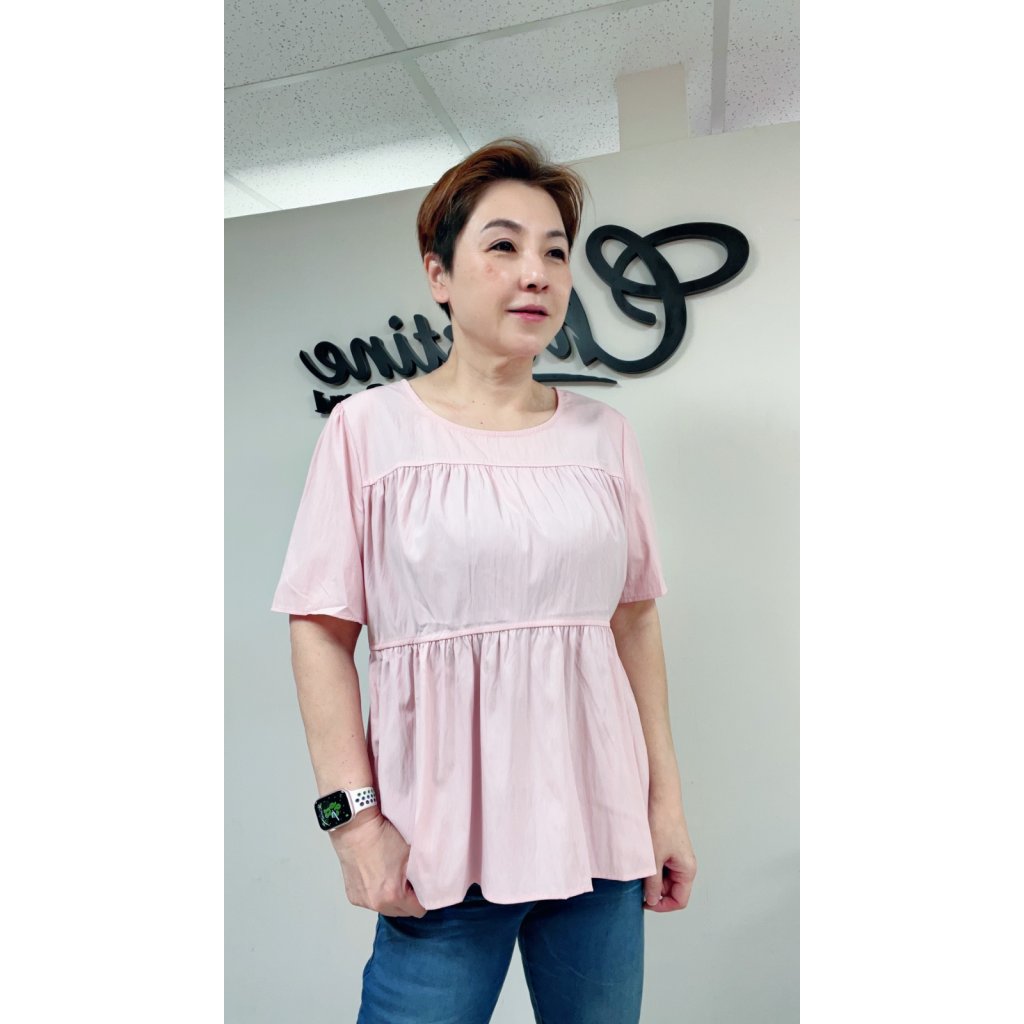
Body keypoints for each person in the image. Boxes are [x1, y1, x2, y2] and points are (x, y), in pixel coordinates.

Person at [272, 137, 697, 1023]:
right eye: (503, 246)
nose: (535, 272)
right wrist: (353, 824)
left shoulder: (605, 437)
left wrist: (665, 806)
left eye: (554, 252)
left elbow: (633, 623)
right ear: (439, 273)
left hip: (600, 836)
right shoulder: (367, 431)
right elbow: (320, 630)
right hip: (439, 849)